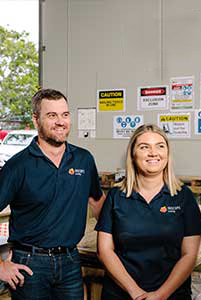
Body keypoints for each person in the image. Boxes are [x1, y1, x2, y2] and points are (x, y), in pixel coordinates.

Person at [0, 88, 105, 299]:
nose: (60, 121)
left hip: (70, 262)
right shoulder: (18, 166)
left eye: (65, 114)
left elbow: (97, 202)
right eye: (52, 115)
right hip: (29, 265)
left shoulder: (84, 159)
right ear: (36, 119)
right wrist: (0, 266)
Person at [96, 124, 201, 300]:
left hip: (171, 295)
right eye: (144, 147)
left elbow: (189, 255)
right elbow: (105, 251)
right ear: (133, 155)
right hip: (121, 293)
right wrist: (136, 292)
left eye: (160, 146)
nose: (153, 152)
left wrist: (161, 295)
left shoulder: (183, 197)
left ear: (167, 154)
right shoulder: (116, 196)